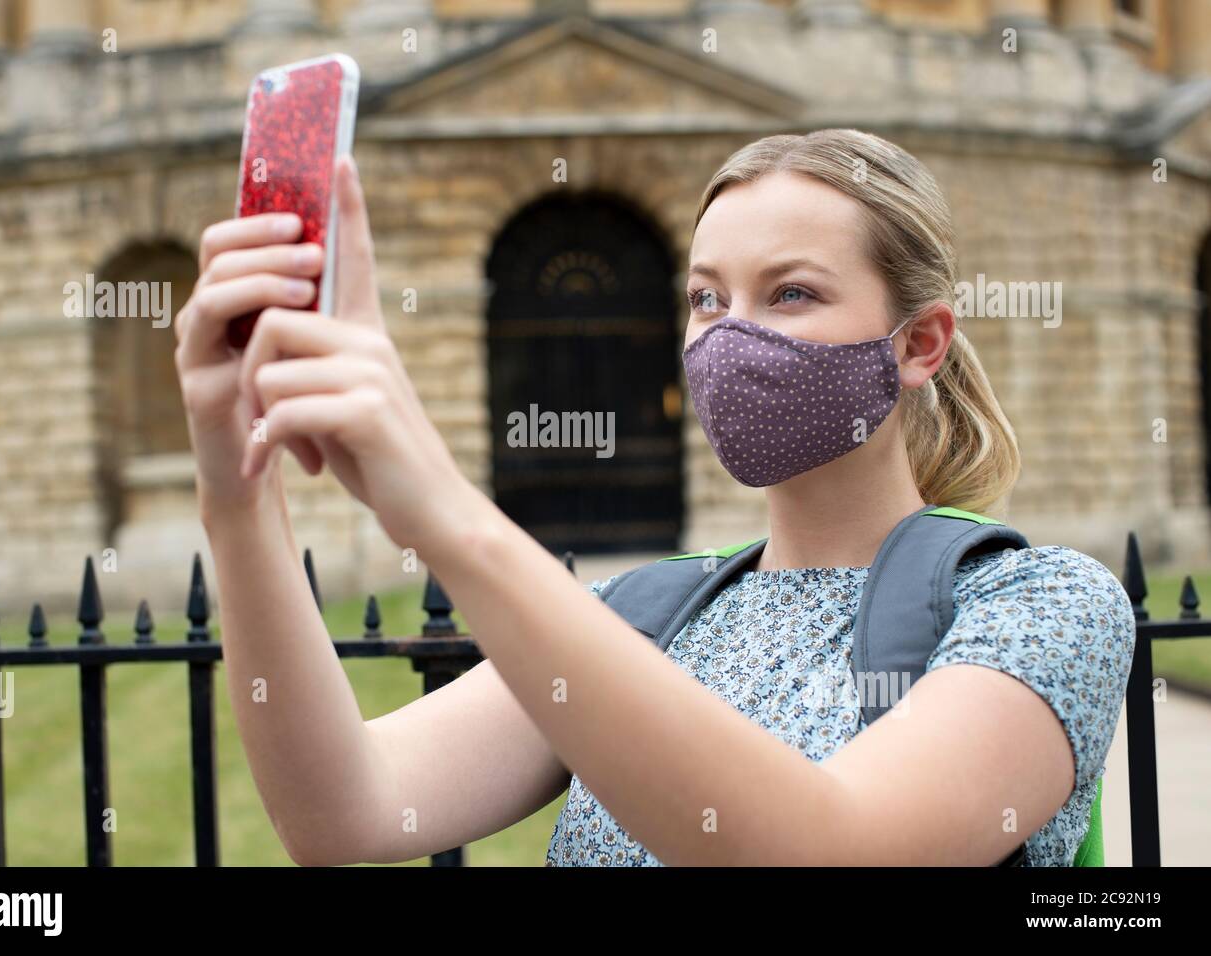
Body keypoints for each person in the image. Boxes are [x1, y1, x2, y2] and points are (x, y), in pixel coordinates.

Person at [173, 128, 1135, 866]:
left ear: (920, 344)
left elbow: (831, 847)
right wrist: (236, 490)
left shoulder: (1039, 604)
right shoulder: (640, 620)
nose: (730, 336)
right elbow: (345, 809)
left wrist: (443, 512)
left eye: (791, 293)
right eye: (707, 299)